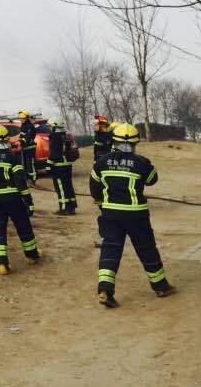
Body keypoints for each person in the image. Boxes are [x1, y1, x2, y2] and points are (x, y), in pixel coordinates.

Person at [91, 123, 176, 308]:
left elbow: (95, 188)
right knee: (146, 248)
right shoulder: (141, 163)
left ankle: (105, 289)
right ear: (135, 143)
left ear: (114, 141)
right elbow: (152, 180)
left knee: (110, 250)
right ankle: (161, 286)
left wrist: (102, 205)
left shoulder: (101, 162)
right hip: (136, 215)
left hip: (110, 214)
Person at [0, 125, 41, 275]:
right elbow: (20, 181)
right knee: (23, 225)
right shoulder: (12, 157)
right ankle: (32, 256)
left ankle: (2, 264)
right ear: (6, 140)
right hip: (12, 196)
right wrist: (28, 200)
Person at [48, 118, 77, 215]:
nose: (50, 128)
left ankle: (64, 208)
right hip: (67, 165)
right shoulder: (65, 136)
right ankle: (71, 207)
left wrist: (48, 165)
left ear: (55, 127)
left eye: (51, 126)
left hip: (58, 166)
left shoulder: (54, 137)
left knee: (60, 187)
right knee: (68, 186)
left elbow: (54, 153)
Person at [17, 110, 38, 185]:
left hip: (30, 148)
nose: (21, 120)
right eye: (20, 118)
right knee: (25, 165)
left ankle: (33, 180)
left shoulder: (30, 126)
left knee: (30, 164)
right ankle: (28, 179)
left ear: (27, 118)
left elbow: (27, 137)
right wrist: (18, 141)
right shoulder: (23, 126)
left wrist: (21, 141)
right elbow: (21, 136)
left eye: (23, 118)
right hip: (25, 149)